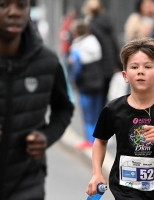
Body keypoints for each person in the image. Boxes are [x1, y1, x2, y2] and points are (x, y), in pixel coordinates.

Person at [86, 37, 154, 200]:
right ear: (125, 75)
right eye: (134, 67)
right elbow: (100, 140)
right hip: (126, 191)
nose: (140, 71)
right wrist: (96, 173)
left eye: (148, 66)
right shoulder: (114, 109)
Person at [0, 1, 74, 200]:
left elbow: (64, 108)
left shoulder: (48, 62)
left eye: (21, 5)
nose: (13, 13)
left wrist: (46, 137)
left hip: (26, 184)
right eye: (3, 5)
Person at [69, 19, 104, 149]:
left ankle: (90, 139)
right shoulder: (94, 41)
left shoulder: (77, 46)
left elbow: (76, 68)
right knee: (98, 111)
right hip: (98, 81)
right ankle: (100, 137)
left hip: (85, 84)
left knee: (87, 113)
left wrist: (73, 80)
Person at [82, 0, 121, 108]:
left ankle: (101, 122)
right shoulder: (108, 22)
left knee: (98, 101)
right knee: (107, 97)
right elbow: (114, 43)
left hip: (98, 67)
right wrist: (118, 63)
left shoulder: (91, 25)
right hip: (110, 65)